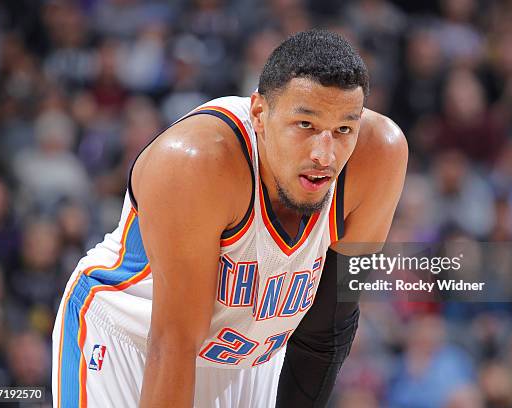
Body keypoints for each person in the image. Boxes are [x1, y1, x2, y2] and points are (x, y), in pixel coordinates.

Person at [52, 29, 407, 408]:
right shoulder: (197, 162)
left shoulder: (378, 155)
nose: (325, 154)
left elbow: (326, 329)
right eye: (306, 126)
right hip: (132, 344)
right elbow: (173, 344)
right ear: (259, 113)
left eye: (343, 130)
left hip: (250, 362)